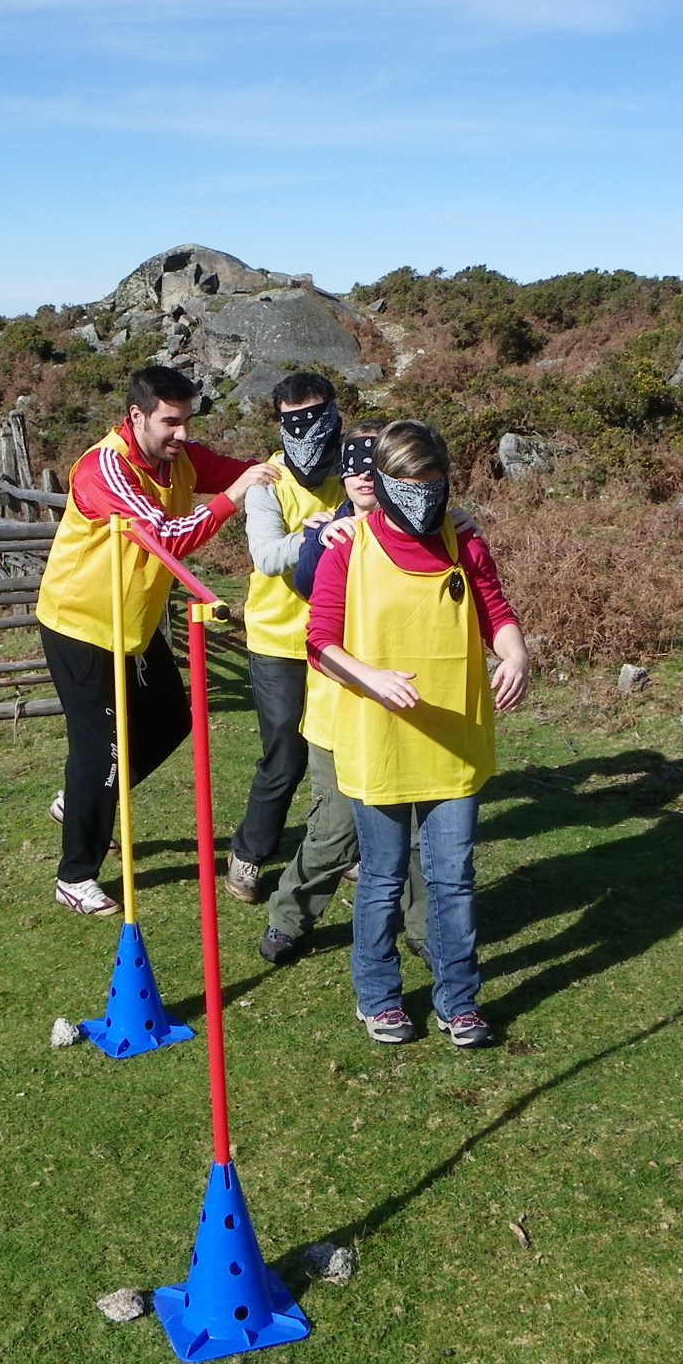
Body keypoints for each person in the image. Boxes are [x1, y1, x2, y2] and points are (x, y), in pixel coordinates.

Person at [307, 420, 530, 1047]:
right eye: (406, 484)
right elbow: (320, 640)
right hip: (379, 738)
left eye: (433, 484)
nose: (421, 497)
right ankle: (377, 996)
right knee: (381, 876)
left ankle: (459, 1000)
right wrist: (372, 678)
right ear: (380, 482)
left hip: (455, 736)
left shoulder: (465, 542)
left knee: (453, 875)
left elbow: (496, 612)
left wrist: (515, 656)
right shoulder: (347, 547)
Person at [34, 365, 278, 915]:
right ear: (136, 415)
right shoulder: (105, 468)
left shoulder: (180, 459)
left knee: (172, 719)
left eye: (188, 421)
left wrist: (284, 471)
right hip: (81, 625)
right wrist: (233, 497)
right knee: (104, 751)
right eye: (171, 422)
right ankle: (75, 875)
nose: (183, 435)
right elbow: (166, 536)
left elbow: (248, 470)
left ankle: (80, 802)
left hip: (136, 624)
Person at [256, 424, 429, 966]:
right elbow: (308, 587)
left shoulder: (423, 527)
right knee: (337, 827)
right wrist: (321, 536)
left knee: (419, 827)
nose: (360, 479)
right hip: (339, 707)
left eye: (370, 468)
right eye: (350, 468)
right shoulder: (327, 534)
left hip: (409, 700)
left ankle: (425, 928)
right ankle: (289, 917)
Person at [226, 372, 346, 907]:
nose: (307, 430)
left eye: (316, 415)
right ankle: (249, 853)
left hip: (341, 639)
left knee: (340, 752)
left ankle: (340, 849)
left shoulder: (354, 469)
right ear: (279, 420)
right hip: (277, 639)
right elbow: (268, 557)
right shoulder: (268, 482)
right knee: (285, 757)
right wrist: (321, 534)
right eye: (292, 419)